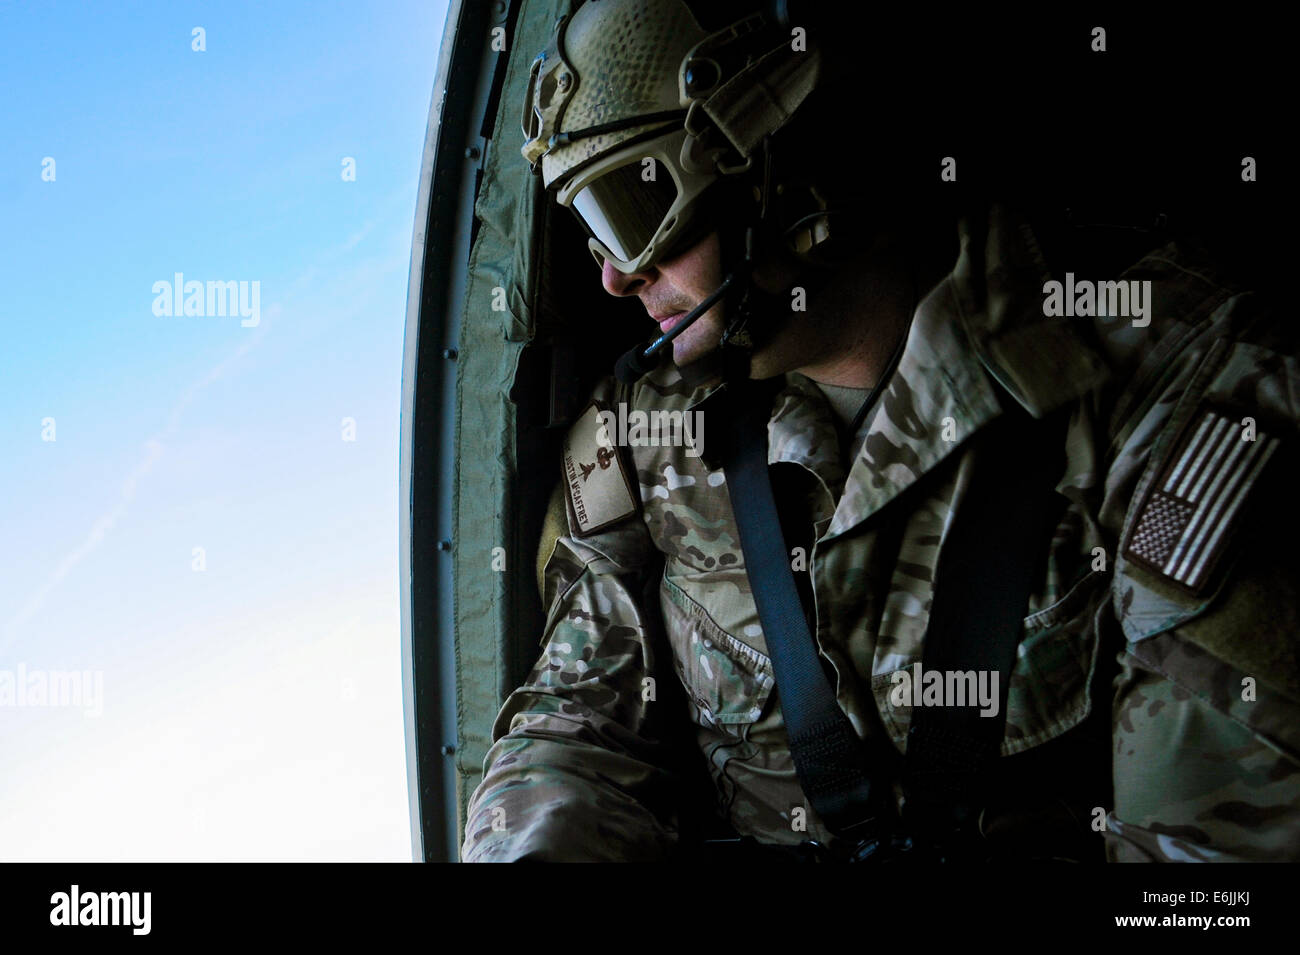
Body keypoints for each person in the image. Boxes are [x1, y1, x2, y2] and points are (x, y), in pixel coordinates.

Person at [461, 0, 1300, 861]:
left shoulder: (1176, 389)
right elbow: (574, 724)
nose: (613, 275)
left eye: (629, 207)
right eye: (587, 226)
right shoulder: (643, 433)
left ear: (780, 168)